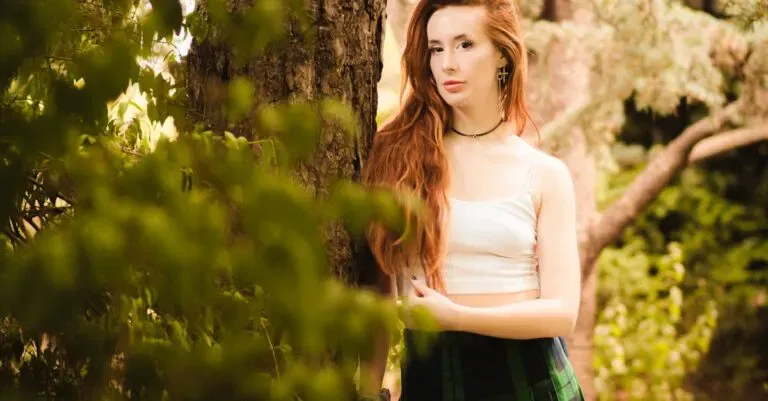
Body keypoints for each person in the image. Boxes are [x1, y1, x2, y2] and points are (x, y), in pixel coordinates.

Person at [358, 0, 584, 400]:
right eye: (436, 48)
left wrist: (458, 318)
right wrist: (364, 390)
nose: (447, 63)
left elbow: (562, 313)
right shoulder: (397, 156)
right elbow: (376, 297)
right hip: (433, 378)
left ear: (502, 54)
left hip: (532, 381)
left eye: (465, 45)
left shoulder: (545, 174)